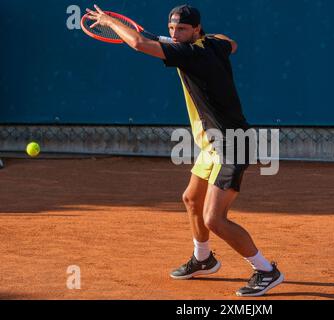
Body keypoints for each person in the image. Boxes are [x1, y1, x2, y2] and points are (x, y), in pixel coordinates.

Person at [85, 4, 284, 297]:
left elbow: (139, 43)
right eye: (171, 29)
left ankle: (266, 269)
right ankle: (203, 259)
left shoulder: (191, 54)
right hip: (212, 143)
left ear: (196, 30)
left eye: (182, 29)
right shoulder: (213, 45)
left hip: (233, 144)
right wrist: (179, 40)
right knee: (191, 199)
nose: (175, 34)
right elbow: (232, 42)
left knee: (214, 218)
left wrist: (109, 22)